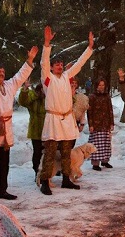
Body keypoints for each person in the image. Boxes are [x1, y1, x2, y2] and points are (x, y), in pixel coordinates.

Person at [0, 39, 38, 202]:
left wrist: (29, 60)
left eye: (2, 72)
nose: (1, 74)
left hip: (5, 129)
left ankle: (1, 190)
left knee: (4, 164)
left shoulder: (9, 86)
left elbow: (20, 76)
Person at [39, 26, 94, 195]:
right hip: (53, 120)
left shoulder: (66, 77)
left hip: (67, 120)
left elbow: (80, 64)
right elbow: (44, 63)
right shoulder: (47, 79)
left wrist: (89, 47)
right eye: (57, 65)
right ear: (52, 67)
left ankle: (65, 179)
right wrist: (47, 44)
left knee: (66, 152)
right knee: (49, 153)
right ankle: (45, 182)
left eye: (61, 65)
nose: (59, 67)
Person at [18, 81, 46, 176]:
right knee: (37, 152)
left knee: (49, 152)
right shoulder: (33, 96)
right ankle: (37, 171)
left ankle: (48, 172)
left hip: (50, 129)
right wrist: (25, 90)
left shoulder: (51, 97)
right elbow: (22, 101)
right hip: (36, 129)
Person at [87, 77, 115, 170]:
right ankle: (95, 163)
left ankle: (105, 161)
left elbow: (110, 110)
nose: (101, 87)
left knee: (106, 144)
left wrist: (111, 123)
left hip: (105, 123)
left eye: (103, 85)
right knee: (97, 144)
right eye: (100, 85)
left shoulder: (107, 96)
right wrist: (91, 124)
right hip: (96, 124)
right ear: (96, 86)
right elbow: (89, 112)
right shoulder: (92, 97)